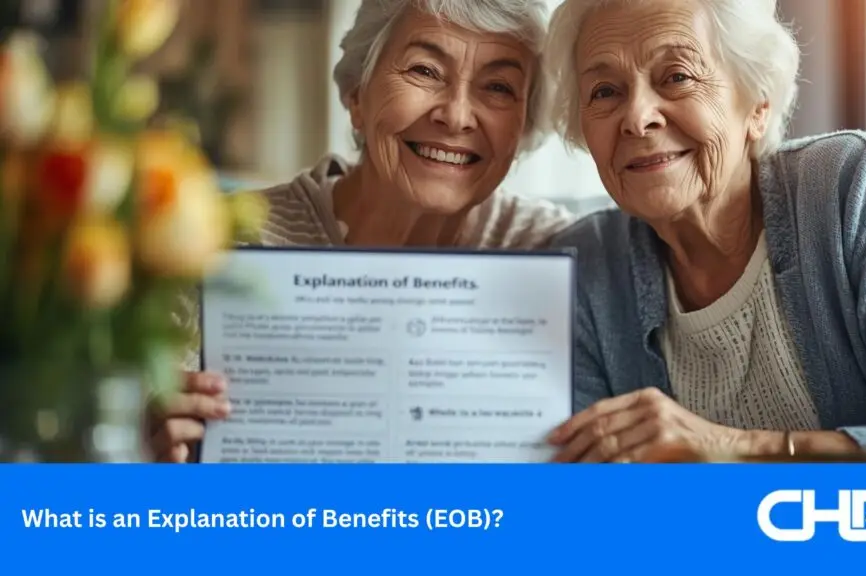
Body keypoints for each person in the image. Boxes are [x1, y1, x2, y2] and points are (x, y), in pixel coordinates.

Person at [541, 0, 866, 462]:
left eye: (677, 76)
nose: (636, 117)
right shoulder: (582, 267)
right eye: (605, 91)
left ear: (757, 106)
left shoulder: (847, 186)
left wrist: (739, 449)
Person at [149, 0, 576, 463]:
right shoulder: (215, 238)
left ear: (524, 126)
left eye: (498, 87)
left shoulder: (556, 251)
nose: (456, 116)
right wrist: (145, 448)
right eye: (425, 71)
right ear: (356, 95)